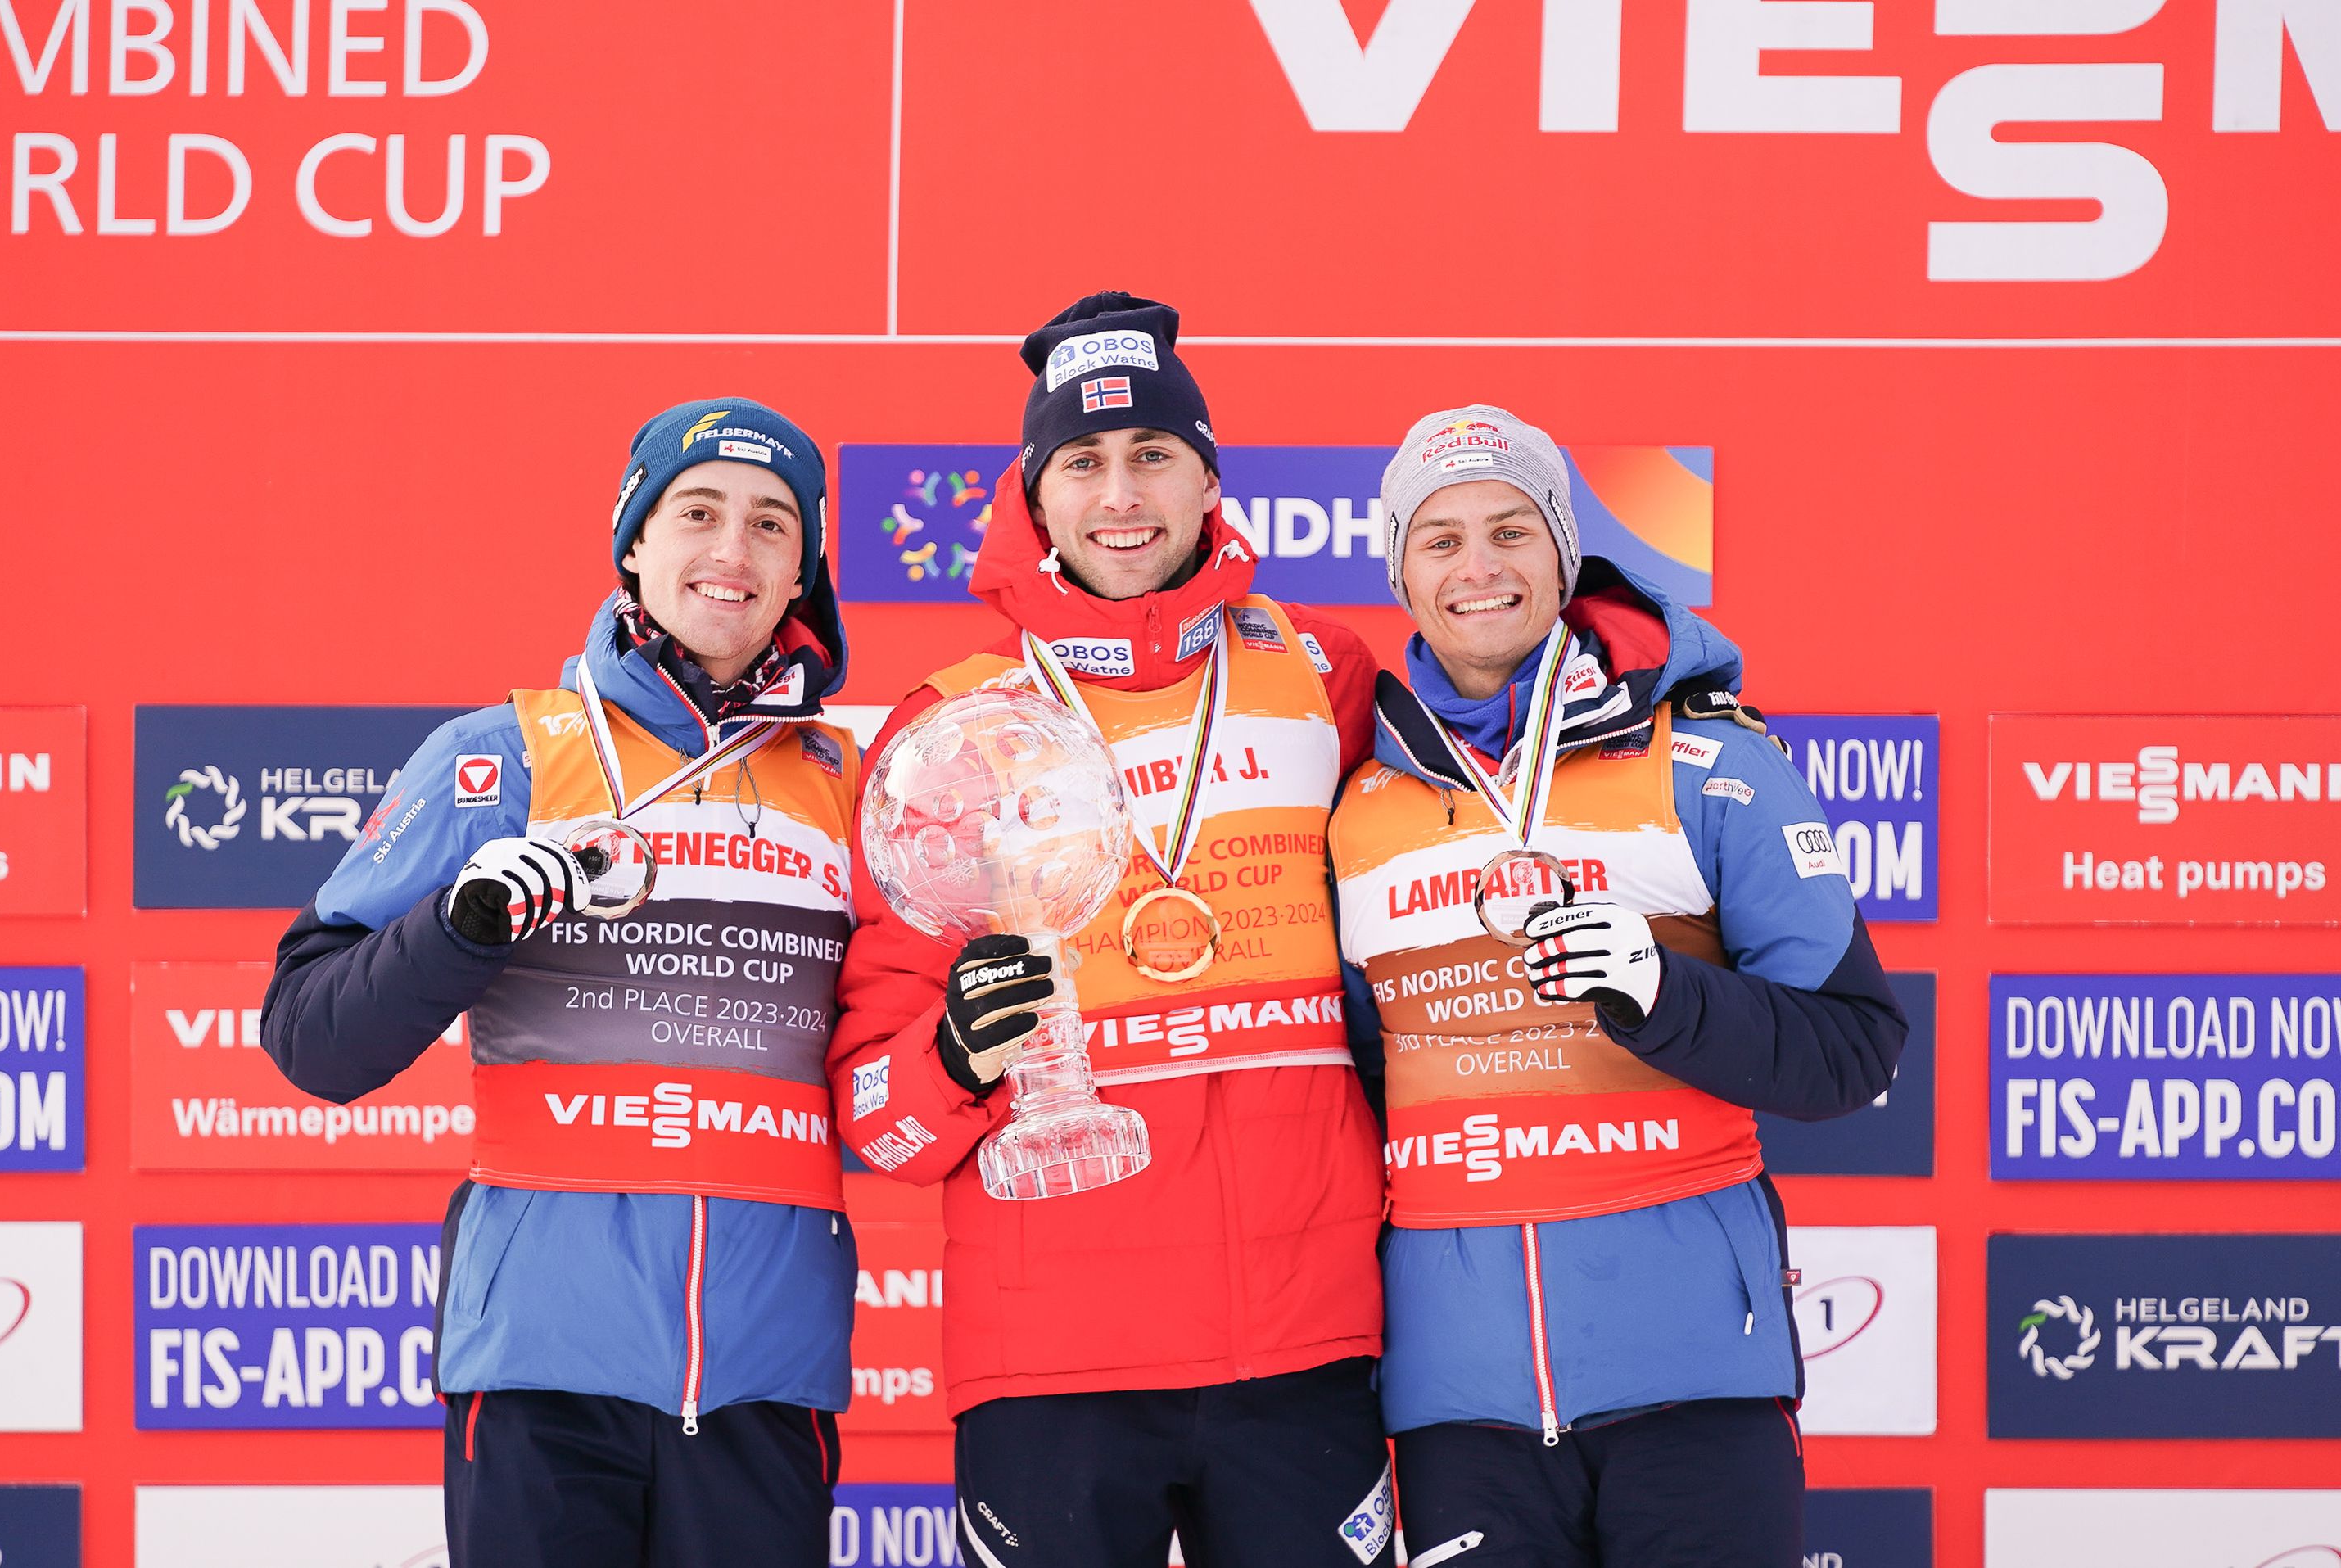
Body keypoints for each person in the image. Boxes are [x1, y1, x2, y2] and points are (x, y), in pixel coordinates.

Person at [830, 293, 1394, 1567]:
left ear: (1209, 478)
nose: (1120, 492)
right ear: (1036, 498)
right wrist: (958, 1059)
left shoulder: (1323, 672)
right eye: (1081, 463)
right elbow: (880, 1116)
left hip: (1302, 1333)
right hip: (1056, 1355)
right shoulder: (953, 730)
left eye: (1153, 454)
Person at [260, 398, 861, 1567]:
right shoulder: (507, 754)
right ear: (634, 541)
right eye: (696, 513)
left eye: (771, 525)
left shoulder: (852, 779)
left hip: (765, 1378)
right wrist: (461, 923)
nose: (730, 552)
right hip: (540, 1371)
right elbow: (312, 1038)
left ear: (805, 572)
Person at [1327, 406, 1907, 1567]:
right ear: (1400, 571)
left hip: (1695, 1379)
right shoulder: (1358, 808)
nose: (1479, 568)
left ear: (1563, 550)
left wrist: (1660, 985)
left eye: (1511, 531)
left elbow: (1853, 1049)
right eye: (1438, 541)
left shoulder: (1707, 759)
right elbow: (1358, 1084)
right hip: (1458, 1402)